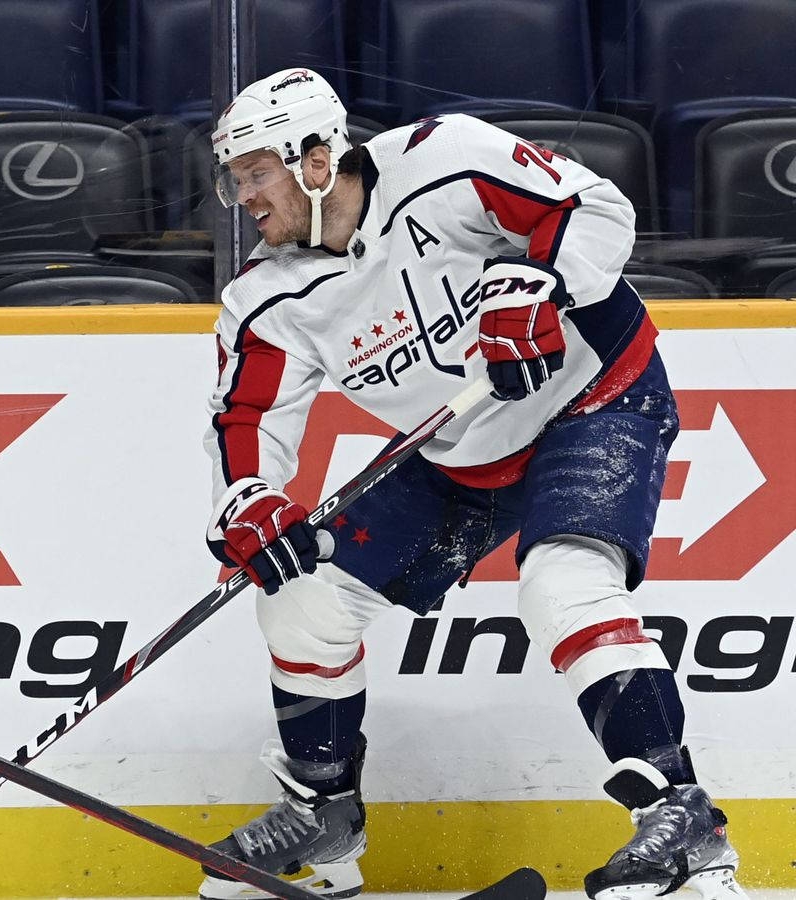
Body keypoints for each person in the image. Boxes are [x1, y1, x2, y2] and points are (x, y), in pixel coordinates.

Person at [197, 69, 746, 900]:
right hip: (462, 451)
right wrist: (249, 500)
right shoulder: (265, 299)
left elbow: (592, 209)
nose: (243, 197)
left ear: (315, 160)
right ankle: (325, 815)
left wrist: (542, 282)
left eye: (254, 173)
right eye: (234, 179)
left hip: (592, 397)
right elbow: (248, 419)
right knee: (303, 593)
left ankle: (684, 824)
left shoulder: (444, 160)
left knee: (562, 583)